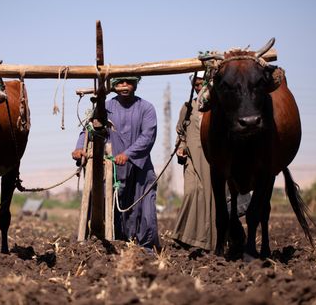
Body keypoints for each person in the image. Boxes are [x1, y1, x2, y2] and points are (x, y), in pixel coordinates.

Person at [72, 76, 160, 250]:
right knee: (112, 210)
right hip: (113, 169)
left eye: (128, 82)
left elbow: (148, 136)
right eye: (120, 83)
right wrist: (79, 148)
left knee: (146, 211)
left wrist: (127, 154)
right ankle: (117, 245)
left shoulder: (147, 108)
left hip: (140, 167)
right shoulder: (105, 107)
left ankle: (146, 249)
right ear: (114, 86)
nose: (124, 86)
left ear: (135, 85)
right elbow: (88, 129)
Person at [172, 71, 217, 251]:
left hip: (211, 159)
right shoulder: (187, 107)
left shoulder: (218, 108)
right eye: (197, 85)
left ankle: (206, 241)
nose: (200, 88)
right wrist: (181, 146)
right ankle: (185, 235)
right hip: (192, 158)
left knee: (210, 196)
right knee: (191, 192)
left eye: (203, 84)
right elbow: (181, 132)